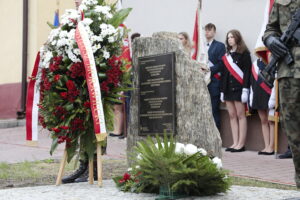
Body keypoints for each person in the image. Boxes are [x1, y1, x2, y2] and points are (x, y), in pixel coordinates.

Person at [263, 1, 300, 188]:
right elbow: (270, 29)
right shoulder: (281, 1)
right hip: (289, 71)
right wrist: (270, 40)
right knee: (294, 132)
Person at [220, 30, 251, 153]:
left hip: (239, 89)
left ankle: (241, 144)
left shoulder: (244, 54)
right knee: (232, 116)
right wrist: (222, 90)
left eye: (232, 37)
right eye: (228, 38)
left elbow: (247, 73)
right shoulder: (227, 56)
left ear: (237, 38)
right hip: (228, 89)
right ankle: (235, 142)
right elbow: (224, 74)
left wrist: (245, 90)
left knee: (240, 115)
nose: (230, 39)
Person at [249, 59, 274, 155]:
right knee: (263, 121)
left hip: (268, 94)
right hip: (258, 94)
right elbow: (252, 81)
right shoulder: (255, 63)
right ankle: (266, 145)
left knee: (271, 121)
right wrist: (251, 95)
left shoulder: (271, 61)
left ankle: (271, 147)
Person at [204, 23, 226, 131]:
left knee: (214, 110)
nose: (207, 32)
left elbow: (221, 64)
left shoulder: (220, 46)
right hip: (202, 82)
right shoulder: (201, 47)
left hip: (214, 82)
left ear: (214, 32)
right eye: (206, 30)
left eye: (209, 30)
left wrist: (208, 70)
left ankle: (217, 138)